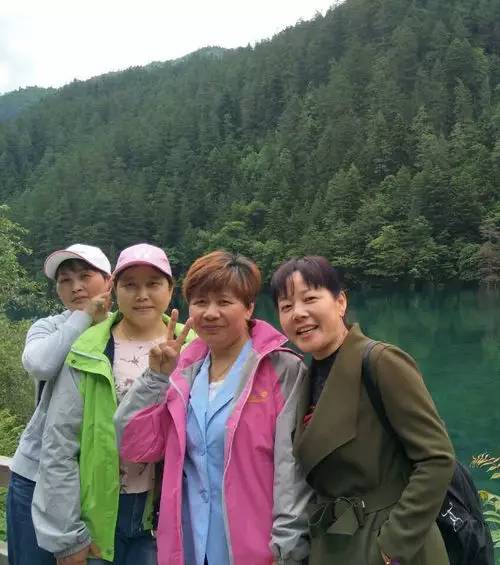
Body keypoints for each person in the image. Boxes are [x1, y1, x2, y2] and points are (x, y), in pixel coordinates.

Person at [114, 250, 311, 565]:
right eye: (200, 302)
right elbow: (135, 446)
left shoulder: (281, 370)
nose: (210, 313)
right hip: (190, 545)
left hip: (259, 550)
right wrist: (155, 378)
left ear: (249, 307)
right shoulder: (184, 370)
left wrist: (287, 549)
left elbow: (292, 471)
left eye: (224, 302)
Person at [270, 256, 455, 565]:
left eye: (310, 299)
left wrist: (392, 546)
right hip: (335, 542)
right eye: (286, 306)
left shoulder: (381, 362)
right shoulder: (308, 376)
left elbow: (436, 458)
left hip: (390, 543)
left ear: (340, 302)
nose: (298, 313)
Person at [31, 243, 195, 565]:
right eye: (130, 285)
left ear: (170, 288)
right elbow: (60, 444)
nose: (142, 295)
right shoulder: (90, 348)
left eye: (153, 283)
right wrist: (67, 536)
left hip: (167, 514)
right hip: (97, 514)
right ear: (114, 289)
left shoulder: (194, 347)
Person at [7, 243, 112, 565]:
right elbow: (41, 364)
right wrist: (85, 316)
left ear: (109, 280)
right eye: (65, 280)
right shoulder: (48, 327)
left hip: (99, 480)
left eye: (85, 276)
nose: (76, 286)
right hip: (36, 475)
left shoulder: (123, 331)